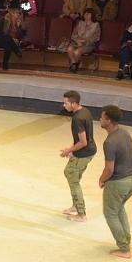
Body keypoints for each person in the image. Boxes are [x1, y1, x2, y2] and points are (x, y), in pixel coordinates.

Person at [98, 105, 132, 258]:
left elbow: (109, 169)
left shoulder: (109, 142)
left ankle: (124, 248)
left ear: (108, 120)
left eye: (102, 117)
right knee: (119, 208)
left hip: (119, 182)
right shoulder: (125, 133)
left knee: (110, 213)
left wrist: (101, 179)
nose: (100, 119)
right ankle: (126, 241)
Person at [60, 90, 96, 222]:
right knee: (73, 176)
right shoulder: (85, 111)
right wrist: (71, 149)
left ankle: (81, 214)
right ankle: (75, 205)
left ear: (74, 103)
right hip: (89, 151)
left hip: (83, 153)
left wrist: (68, 151)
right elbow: (81, 139)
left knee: (72, 177)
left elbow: (83, 142)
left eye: (66, 103)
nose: (64, 105)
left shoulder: (77, 119)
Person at [67, 9, 101, 73]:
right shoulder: (80, 23)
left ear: (92, 15)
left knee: (77, 52)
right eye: (85, 14)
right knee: (69, 49)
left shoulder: (96, 25)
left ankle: (74, 65)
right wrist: (77, 40)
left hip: (88, 45)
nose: (86, 15)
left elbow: (96, 38)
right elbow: (73, 35)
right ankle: (74, 63)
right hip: (77, 43)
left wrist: (84, 41)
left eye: (88, 14)